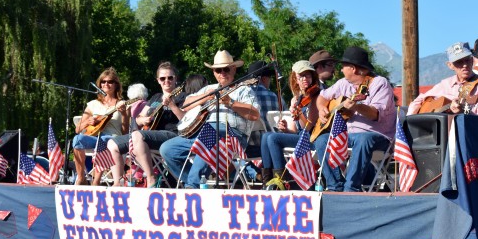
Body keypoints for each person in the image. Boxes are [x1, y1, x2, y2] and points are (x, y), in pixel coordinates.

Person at [159, 51, 260, 188]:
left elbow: (255, 114)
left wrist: (231, 103)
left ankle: (192, 186)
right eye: (219, 70)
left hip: (232, 136)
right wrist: (206, 97)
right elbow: (186, 103)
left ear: (234, 69)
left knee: (210, 131)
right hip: (203, 134)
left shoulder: (244, 89)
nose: (222, 73)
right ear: (214, 72)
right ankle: (194, 183)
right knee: (167, 149)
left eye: (226, 69)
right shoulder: (209, 88)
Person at [313, 46, 395, 192]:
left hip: (378, 137)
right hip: (350, 136)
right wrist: (321, 109)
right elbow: (322, 97)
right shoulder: (343, 83)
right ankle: (335, 186)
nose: (341, 70)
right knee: (321, 140)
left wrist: (356, 107)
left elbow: (375, 114)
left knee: (364, 138)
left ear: (353, 69)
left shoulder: (380, 83)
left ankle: (351, 189)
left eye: (344, 66)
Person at [108, 62, 187, 188]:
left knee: (137, 135)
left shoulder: (183, 96)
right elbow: (138, 119)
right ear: (158, 81)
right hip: (148, 134)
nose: (166, 81)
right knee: (112, 143)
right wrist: (143, 120)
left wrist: (172, 105)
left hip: (172, 135)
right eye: (163, 78)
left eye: (170, 77)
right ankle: (118, 182)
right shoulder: (155, 98)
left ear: (175, 79)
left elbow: (185, 118)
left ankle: (151, 178)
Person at [261, 60, 321, 189]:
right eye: (301, 76)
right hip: (301, 137)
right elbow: (294, 131)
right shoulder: (296, 99)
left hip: (313, 138)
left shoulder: (318, 96)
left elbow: (310, 126)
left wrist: (300, 115)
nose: (305, 79)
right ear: (296, 79)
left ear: (313, 77)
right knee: (266, 136)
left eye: (308, 75)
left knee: (273, 138)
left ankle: (282, 180)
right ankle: (267, 180)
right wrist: (285, 129)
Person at [70, 68, 128, 186]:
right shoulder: (93, 104)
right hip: (95, 136)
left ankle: (96, 181)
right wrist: (87, 122)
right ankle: (81, 177)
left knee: (103, 140)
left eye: (110, 81)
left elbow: (125, 131)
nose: (106, 84)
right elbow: (78, 129)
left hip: (113, 138)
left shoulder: (123, 104)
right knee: (77, 140)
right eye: (103, 81)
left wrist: (124, 114)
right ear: (99, 84)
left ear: (116, 85)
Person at [409, 43, 478, 116]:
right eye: (459, 62)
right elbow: (419, 100)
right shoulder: (445, 84)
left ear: (472, 61)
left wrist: (464, 112)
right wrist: (409, 120)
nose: (464, 65)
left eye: (467, 60)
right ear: (450, 65)